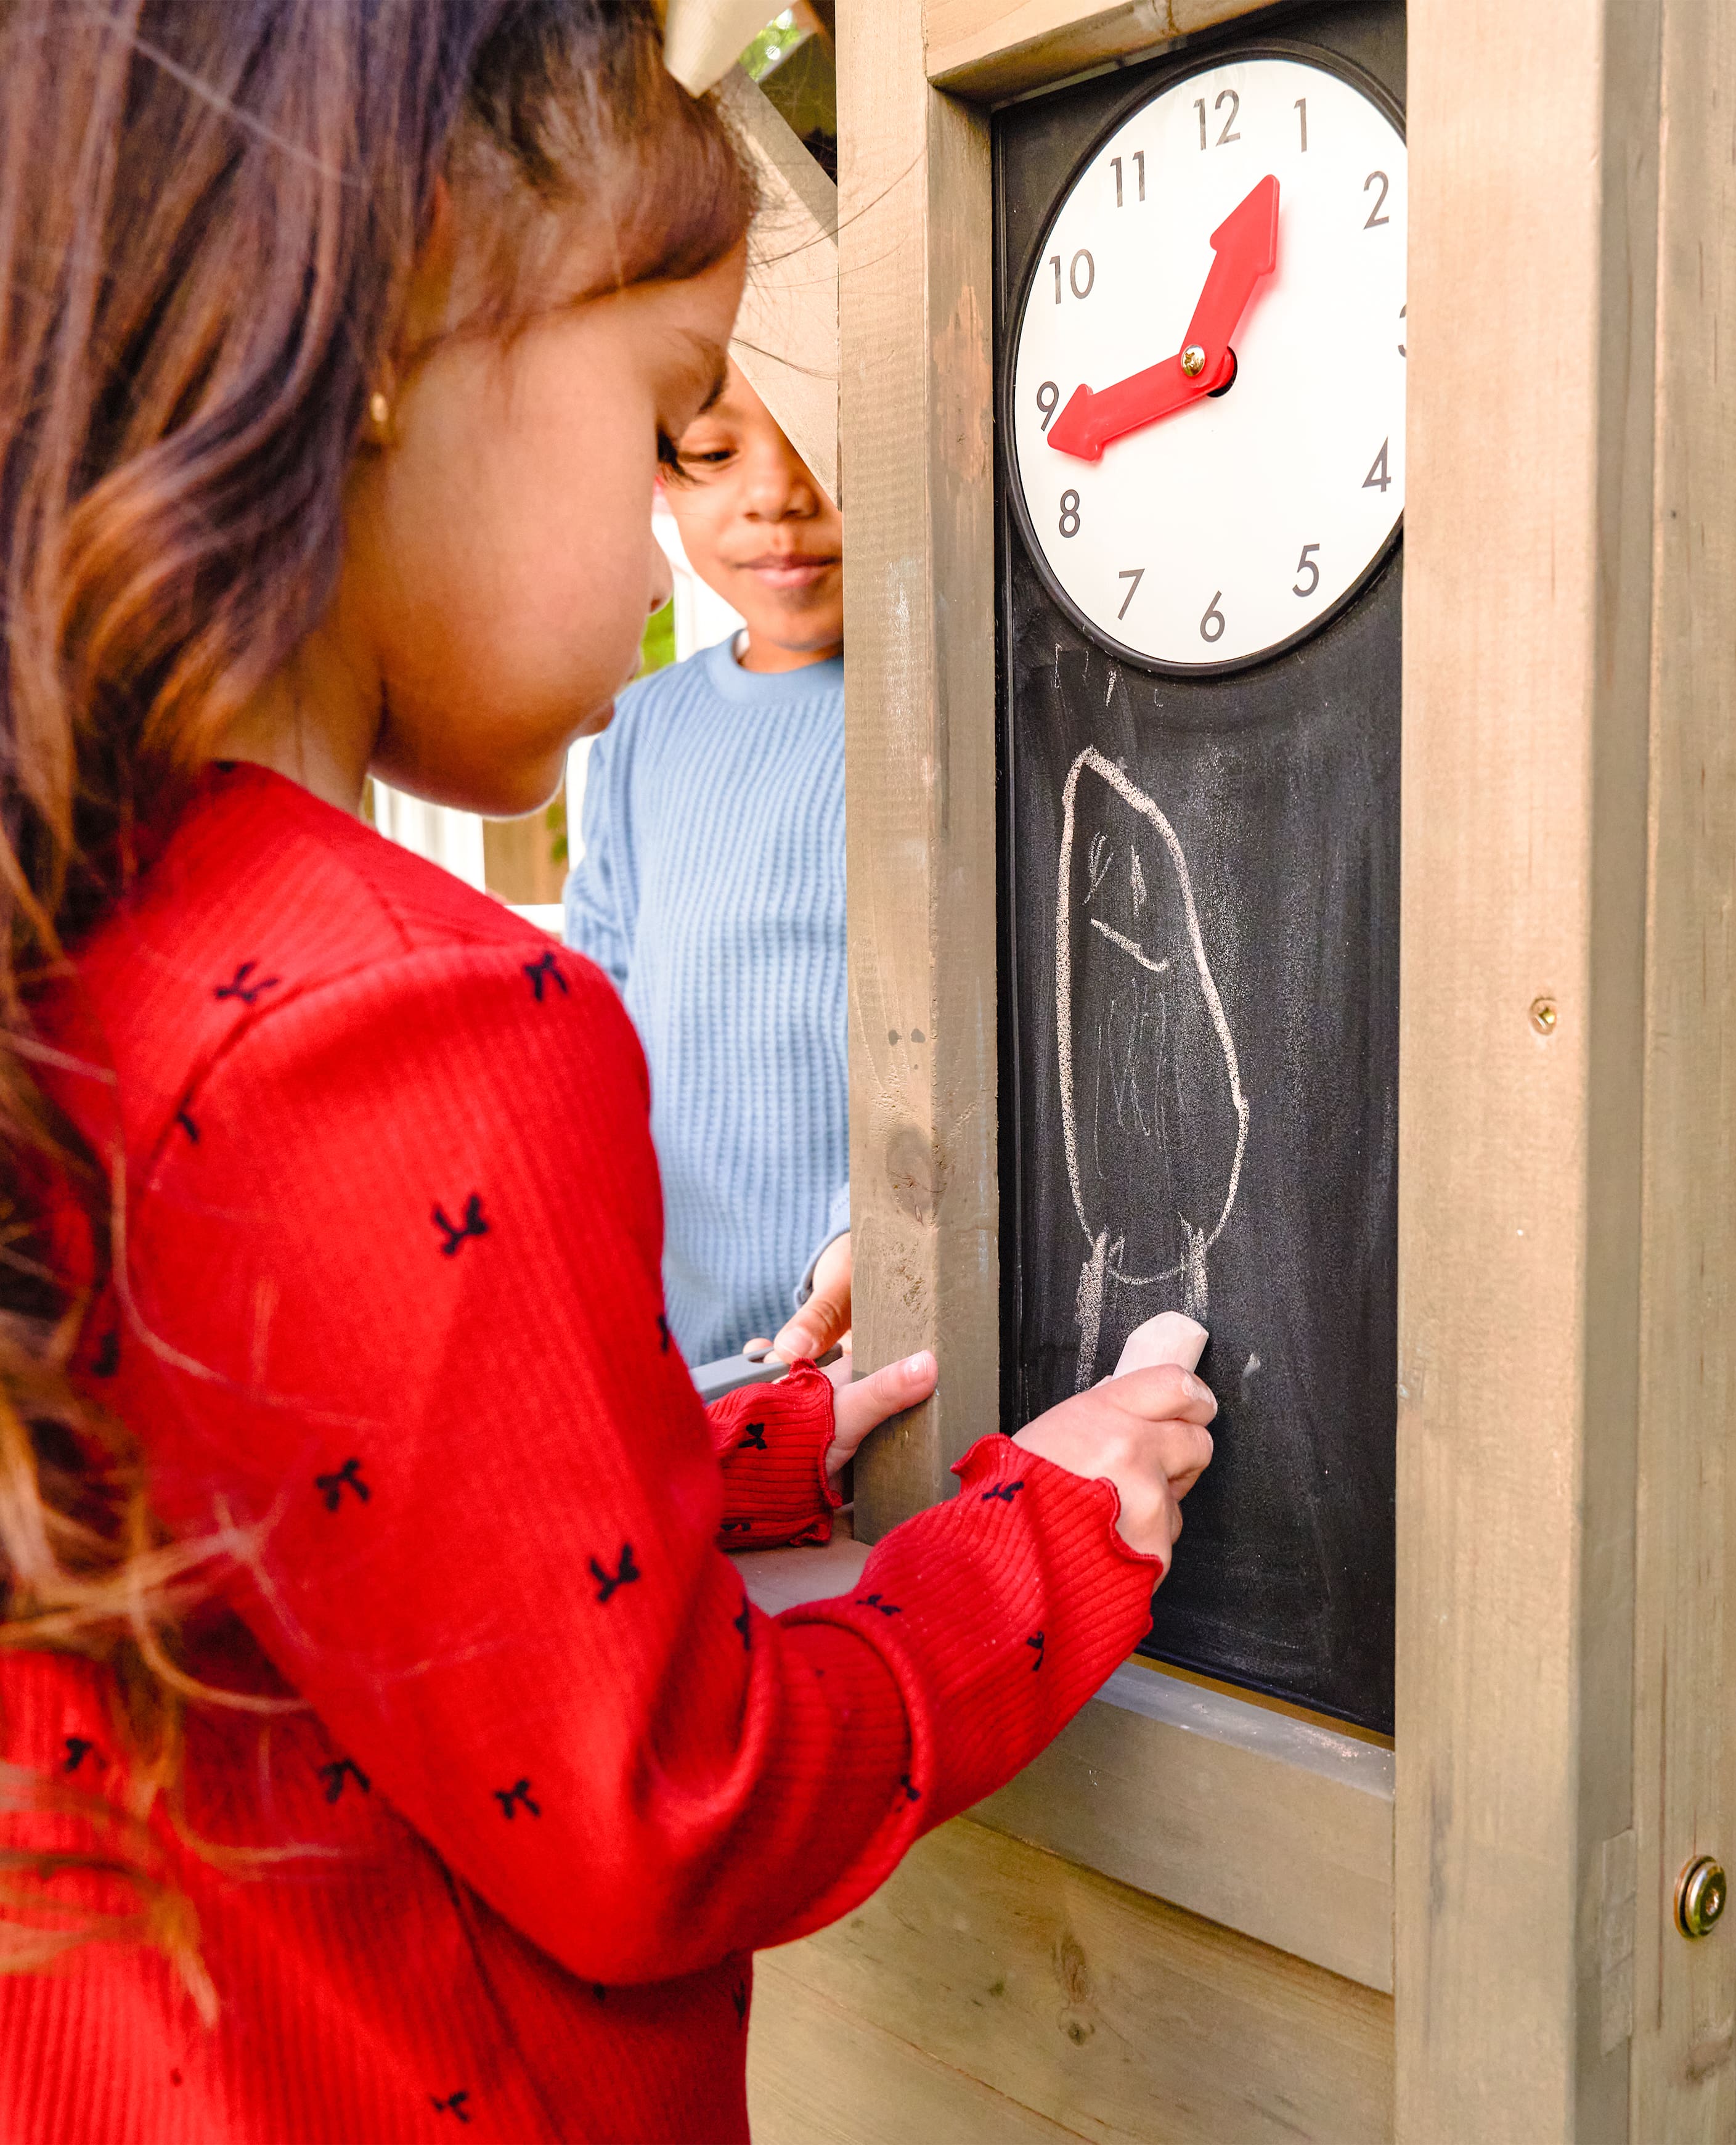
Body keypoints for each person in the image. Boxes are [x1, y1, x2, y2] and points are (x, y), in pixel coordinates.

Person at [0, 7, 1214, 2143]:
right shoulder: (420, 1014)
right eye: (673, 413)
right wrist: (1041, 1540)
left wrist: (729, 1457)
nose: (728, 507)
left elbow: (308, 1539)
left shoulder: (86, 942)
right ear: (400, 317)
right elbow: (665, 1798)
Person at [567, 367, 854, 1371]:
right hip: (675, 1362)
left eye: (831, 432)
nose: (779, 494)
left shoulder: (948, 705)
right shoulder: (640, 725)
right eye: (715, 451)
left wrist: (884, 1236)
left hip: (874, 1345)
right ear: (657, 476)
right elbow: (596, 1007)